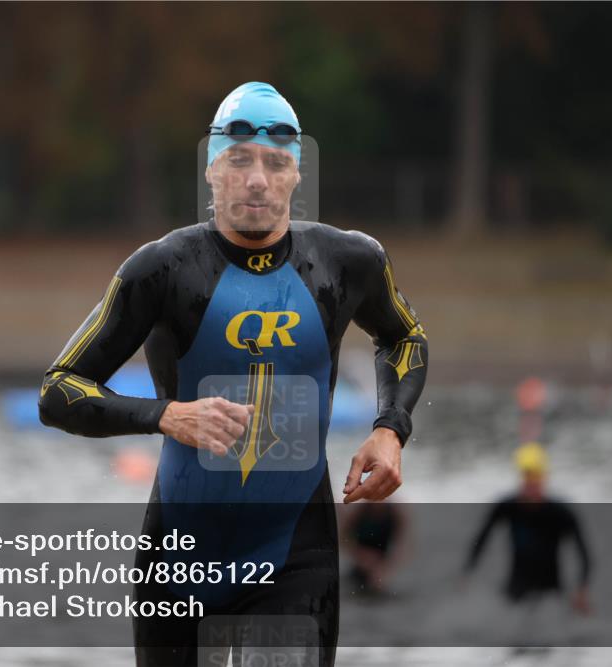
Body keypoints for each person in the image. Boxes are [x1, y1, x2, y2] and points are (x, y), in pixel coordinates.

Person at [38, 81, 429, 667]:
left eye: (275, 163)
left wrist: (389, 428)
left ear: (296, 174)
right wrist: (167, 416)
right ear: (212, 171)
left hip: (295, 558)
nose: (257, 180)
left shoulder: (348, 262)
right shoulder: (162, 270)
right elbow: (58, 391)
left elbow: (404, 336)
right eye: (240, 161)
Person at [464, 442, 591, 614]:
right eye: (527, 476)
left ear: (544, 478)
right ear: (521, 478)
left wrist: (582, 588)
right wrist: (467, 573)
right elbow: (481, 539)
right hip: (515, 590)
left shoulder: (561, 512)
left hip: (550, 593)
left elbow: (584, 554)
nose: (532, 483)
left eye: (536, 477)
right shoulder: (507, 507)